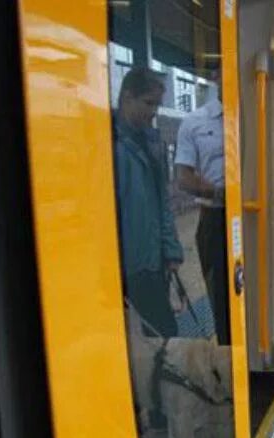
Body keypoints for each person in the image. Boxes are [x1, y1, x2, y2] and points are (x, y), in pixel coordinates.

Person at [114, 67, 184, 338]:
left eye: (157, 104)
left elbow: (162, 201)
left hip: (152, 263)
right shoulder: (110, 144)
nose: (154, 111)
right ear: (127, 97)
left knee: (161, 339)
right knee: (159, 340)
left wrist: (172, 250)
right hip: (129, 266)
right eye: (148, 103)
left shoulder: (149, 143)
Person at [174, 79, 230, 345]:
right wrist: (218, 193)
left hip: (261, 217)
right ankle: (228, 353)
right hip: (215, 220)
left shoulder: (265, 113)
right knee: (220, 296)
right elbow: (183, 177)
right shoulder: (195, 122)